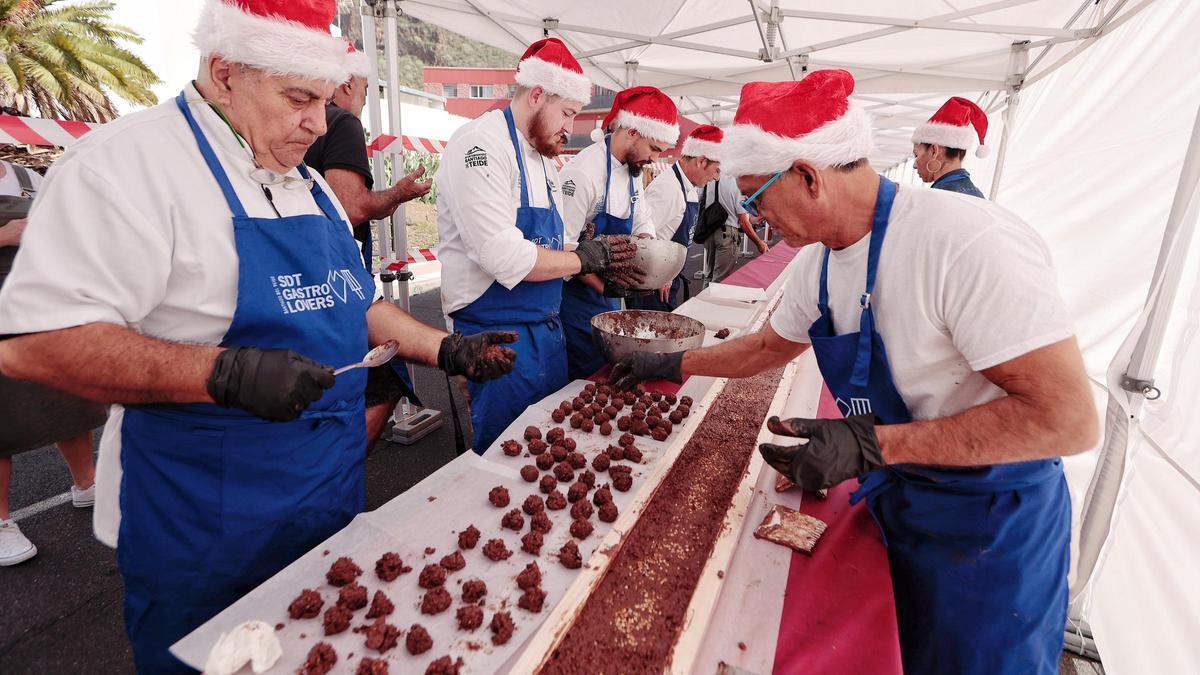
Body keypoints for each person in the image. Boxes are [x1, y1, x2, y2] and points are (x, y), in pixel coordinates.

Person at [0, 1, 516, 671]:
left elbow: (357, 303)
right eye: (299, 98)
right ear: (223, 72)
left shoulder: (307, 183)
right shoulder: (128, 165)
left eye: (325, 101)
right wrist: (222, 374)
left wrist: (443, 347)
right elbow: (34, 340)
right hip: (206, 535)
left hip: (326, 509)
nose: (317, 121)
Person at [609, 70, 1097, 675]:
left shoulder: (966, 242)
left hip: (990, 530)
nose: (753, 218)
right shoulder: (818, 263)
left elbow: (1068, 419)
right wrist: (674, 363)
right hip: (901, 499)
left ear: (809, 177)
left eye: (757, 200)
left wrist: (871, 443)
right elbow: (765, 347)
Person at [435, 38, 640, 454]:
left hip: (547, 329)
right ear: (537, 94)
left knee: (550, 443)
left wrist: (598, 269)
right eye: (567, 113)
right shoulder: (479, 146)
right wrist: (582, 258)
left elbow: (559, 241)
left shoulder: (545, 159)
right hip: (497, 335)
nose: (572, 127)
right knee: (502, 456)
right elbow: (500, 253)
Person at [304, 43, 432, 449]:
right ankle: (338, 466)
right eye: (364, 90)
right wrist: (397, 193)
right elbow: (352, 206)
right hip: (336, 274)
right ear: (344, 84)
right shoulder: (340, 122)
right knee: (381, 378)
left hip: (309, 270)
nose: (363, 100)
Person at [0, 159, 103, 567]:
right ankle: (1, 522)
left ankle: (87, 483)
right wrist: (4, 235)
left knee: (67, 402)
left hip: (42, 304)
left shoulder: (29, 178)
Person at [558, 87, 676, 378]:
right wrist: (605, 289)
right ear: (633, 131)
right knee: (587, 375)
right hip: (577, 300)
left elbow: (641, 217)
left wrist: (652, 257)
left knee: (611, 369)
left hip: (610, 297)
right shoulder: (583, 173)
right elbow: (564, 248)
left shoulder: (632, 170)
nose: (654, 159)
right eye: (654, 149)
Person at [628, 124, 723, 311]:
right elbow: (639, 240)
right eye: (717, 170)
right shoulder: (668, 189)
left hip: (667, 279)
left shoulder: (690, 189)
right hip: (651, 285)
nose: (717, 178)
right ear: (702, 161)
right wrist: (660, 274)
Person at [911, 96, 989, 198]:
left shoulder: (939, 197)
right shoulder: (977, 194)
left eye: (916, 155)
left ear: (934, 151)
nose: (914, 165)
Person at [702, 174, 768, 282]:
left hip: (709, 232)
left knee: (709, 275)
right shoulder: (737, 183)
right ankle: (713, 298)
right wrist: (759, 243)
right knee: (720, 279)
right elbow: (743, 221)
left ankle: (703, 297)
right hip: (727, 234)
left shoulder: (710, 179)